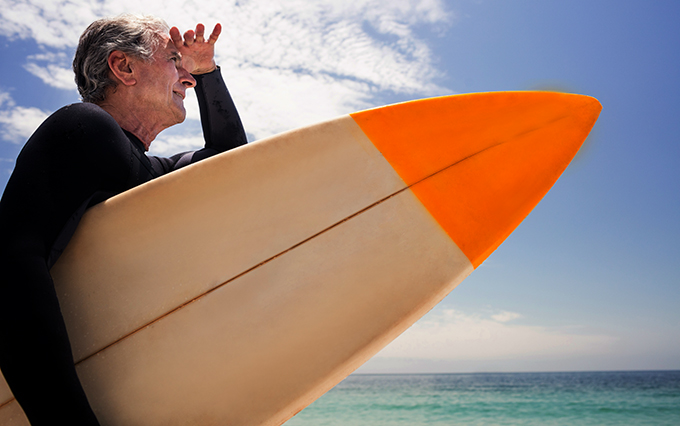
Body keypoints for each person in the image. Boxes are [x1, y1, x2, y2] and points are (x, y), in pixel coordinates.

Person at [0, 15, 247, 425]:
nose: (187, 78)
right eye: (174, 60)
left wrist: (208, 74)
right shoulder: (83, 128)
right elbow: (11, 264)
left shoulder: (140, 167)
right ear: (124, 67)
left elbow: (230, 161)